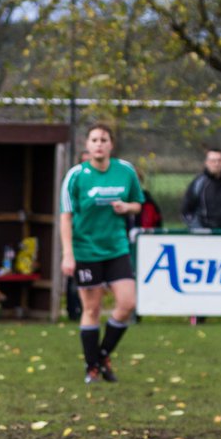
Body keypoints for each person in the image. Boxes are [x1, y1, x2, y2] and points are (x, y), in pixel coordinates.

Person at [60, 124, 142, 384]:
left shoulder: (125, 171)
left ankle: (101, 355)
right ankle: (92, 367)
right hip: (86, 251)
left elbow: (138, 205)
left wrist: (125, 206)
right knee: (92, 309)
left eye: (103, 139)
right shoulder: (76, 175)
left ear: (111, 144)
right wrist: (68, 254)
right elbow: (66, 217)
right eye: (94, 139)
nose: (98, 144)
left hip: (116, 249)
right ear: (87, 144)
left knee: (127, 304)